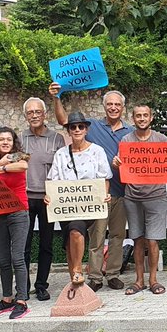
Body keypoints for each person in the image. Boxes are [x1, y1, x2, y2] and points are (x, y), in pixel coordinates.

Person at [50, 85, 131, 290]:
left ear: (123, 107)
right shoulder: (93, 126)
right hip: (95, 197)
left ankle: (113, 273)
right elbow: (63, 120)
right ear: (104, 107)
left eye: (117, 104)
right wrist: (57, 97)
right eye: (110, 104)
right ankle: (95, 277)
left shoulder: (130, 131)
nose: (113, 107)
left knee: (117, 236)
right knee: (96, 238)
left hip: (121, 191)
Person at [113, 105, 167, 295]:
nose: (142, 118)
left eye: (145, 115)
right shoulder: (126, 140)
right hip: (132, 197)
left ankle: (153, 280)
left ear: (151, 118)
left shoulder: (161, 139)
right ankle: (138, 281)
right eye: (138, 116)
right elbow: (119, 160)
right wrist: (116, 162)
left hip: (156, 197)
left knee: (152, 240)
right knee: (137, 239)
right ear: (133, 118)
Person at [46, 112, 113, 288]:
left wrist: (104, 194)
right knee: (70, 241)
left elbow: (105, 177)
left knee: (76, 230)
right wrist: (49, 196)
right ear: (68, 131)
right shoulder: (61, 154)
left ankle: (77, 271)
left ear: (86, 129)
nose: (77, 130)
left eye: (80, 126)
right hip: (65, 206)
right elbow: (53, 180)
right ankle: (75, 283)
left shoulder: (97, 151)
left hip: (89, 206)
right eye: (73, 127)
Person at [0, 127, 32, 319]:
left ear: (14, 141)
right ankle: (6, 298)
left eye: (9, 139)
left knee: (17, 257)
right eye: (1, 139)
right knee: (3, 260)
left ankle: (22, 299)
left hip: (18, 212)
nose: (5, 142)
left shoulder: (19, 155)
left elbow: (23, 166)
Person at [20, 97, 65, 302]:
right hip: (25, 198)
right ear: (25, 116)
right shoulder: (20, 138)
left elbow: (63, 169)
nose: (35, 115)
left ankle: (41, 285)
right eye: (30, 112)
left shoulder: (57, 138)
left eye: (38, 111)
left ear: (45, 114)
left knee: (46, 244)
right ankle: (23, 286)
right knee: (24, 244)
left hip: (49, 198)